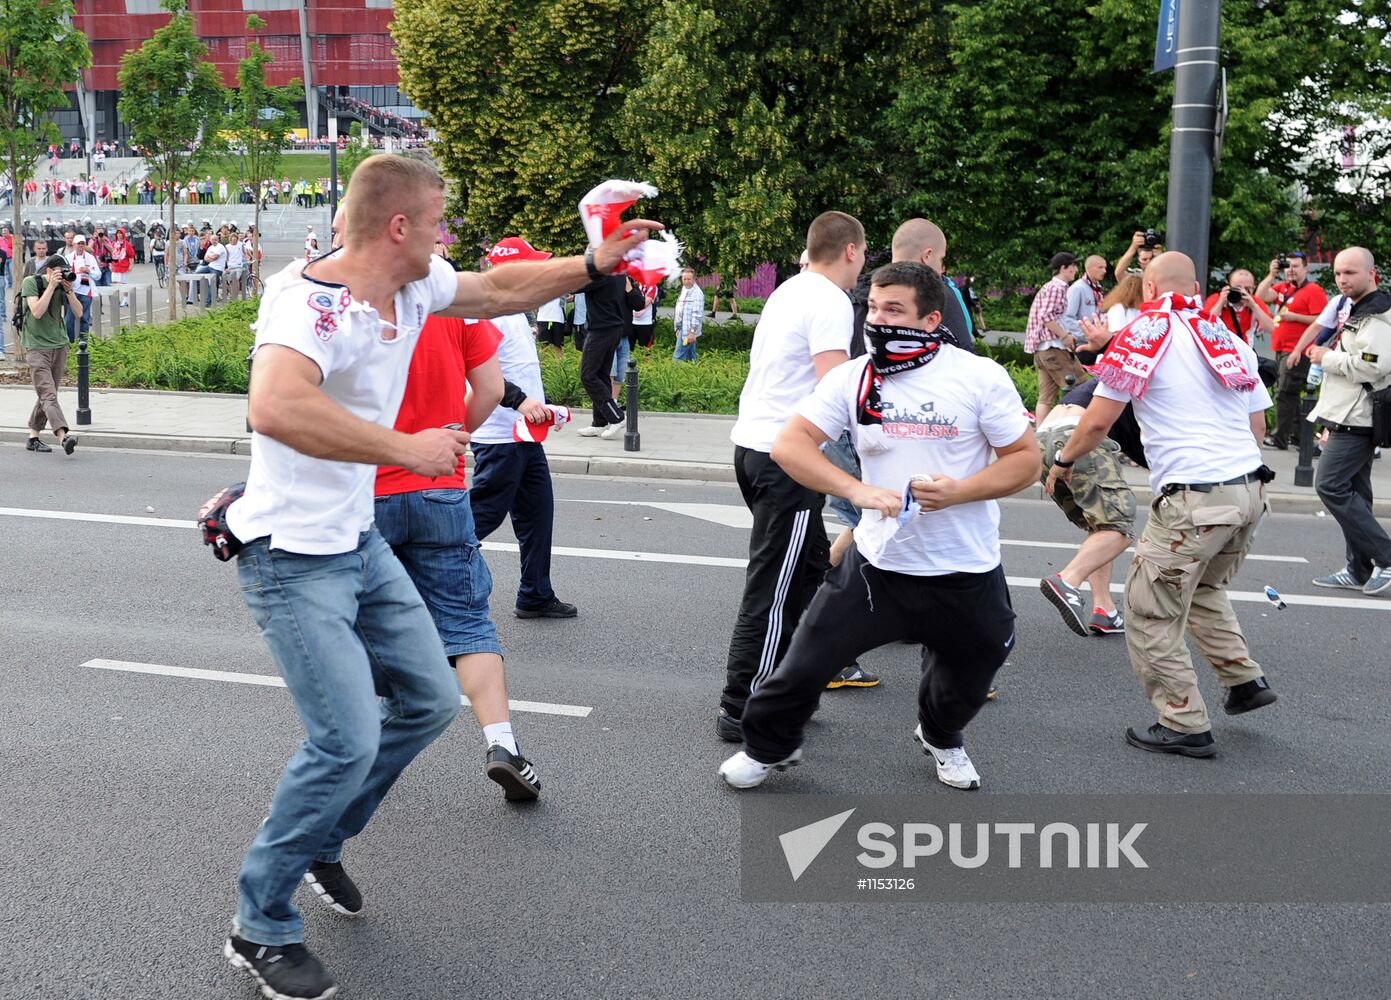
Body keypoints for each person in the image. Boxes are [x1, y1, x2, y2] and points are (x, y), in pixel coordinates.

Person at [220, 153, 660, 1000]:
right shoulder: (309, 302)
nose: (444, 235)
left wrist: (594, 264)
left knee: (424, 700)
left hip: (356, 542)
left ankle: (320, 837)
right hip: (290, 554)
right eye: (436, 222)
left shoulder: (414, 289)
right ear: (397, 226)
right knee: (343, 738)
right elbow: (273, 405)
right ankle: (259, 926)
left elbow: (500, 292)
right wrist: (404, 447)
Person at [719, 262, 1036, 790]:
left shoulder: (979, 377)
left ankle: (940, 736)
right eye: (872, 308)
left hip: (965, 566)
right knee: (803, 664)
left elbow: (1025, 460)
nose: (878, 320)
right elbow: (789, 445)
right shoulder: (854, 377)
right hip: (879, 564)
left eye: (894, 310)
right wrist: (854, 490)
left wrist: (960, 490)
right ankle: (766, 748)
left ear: (931, 319)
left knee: (975, 668)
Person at [1051, 252, 1276, 759]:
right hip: (1250, 489)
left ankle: (1182, 723)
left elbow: (1095, 422)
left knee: (1149, 608)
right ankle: (1243, 681)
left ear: (1148, 289)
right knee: (1204, 588)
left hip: (1194, 497)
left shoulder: (1140, 337)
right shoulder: (1227, 340)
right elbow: (1257, 428)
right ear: (1195, 286)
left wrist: (1062, 461)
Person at [716, 211, 865, 744]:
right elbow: (834, 387)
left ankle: (792, 687)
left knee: (806, 576)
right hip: (786, 459)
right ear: (851, 250)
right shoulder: (829, 300)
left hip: (756, 449)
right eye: (863, 254)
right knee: (773, 591)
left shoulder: (791, 289)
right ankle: (741, 708)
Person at [470, 236, 578, 621]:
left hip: (524, 434)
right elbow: (483, 374)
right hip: (500, 436)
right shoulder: (488, 311)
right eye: (529, 266)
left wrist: (543, 409)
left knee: (537, 515)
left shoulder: (512, 309)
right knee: (480, 517)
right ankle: (434, 582)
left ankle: (535, 594)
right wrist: (521, 402)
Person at [1305, 247, 1391, 596]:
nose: (1342, 279)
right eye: (1339, 273)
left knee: (1329, 485)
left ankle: (1385, 557)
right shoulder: (1358, 308)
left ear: (1373, 275)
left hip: (1359, 418)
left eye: (1351, 273)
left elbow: (1374, 365)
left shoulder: (1379, 314)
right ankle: (1359, 569)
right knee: (1356, 491)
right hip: (1348, 414)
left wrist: (1327, 357)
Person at [1036, 398, 1134, 637]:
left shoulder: (1096, 378)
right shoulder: (1130, 372)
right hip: (1077, 434)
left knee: (1100, 525)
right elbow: (1100, 423)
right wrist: (1065, 458)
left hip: (1042, 437)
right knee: (1118, 527)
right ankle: (1067, 580)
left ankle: (1105, 610)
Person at [1257, 251, 1328, 450]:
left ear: (1306, 268)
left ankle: (1280, 438)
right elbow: (1260, 296)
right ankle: (1298, 437)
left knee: (1285, 394)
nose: (1291, 270)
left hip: (1298, 349)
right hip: (1281, 347)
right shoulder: (1284, 288)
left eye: (1296, 266)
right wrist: (1271, 275)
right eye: (1288, 266)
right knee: (1291, 393)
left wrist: (1295, 317)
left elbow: (1321, 320)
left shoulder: (1313, 290)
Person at [19, 255, 83, 455]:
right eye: (58, 271)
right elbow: (37, 311)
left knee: (47, 396)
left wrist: (68, 290)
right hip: (37, 347)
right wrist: (50, 286)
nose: (61, 274)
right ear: (49, 270)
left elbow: (79, 312)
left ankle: (33, 437)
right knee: (48, 395)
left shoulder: (62, 286)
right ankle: (63, 437)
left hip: (59, 346)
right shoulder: (31, 282)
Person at [573, 270, 644, 440]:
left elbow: (572, 286)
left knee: (588, 375)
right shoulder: (617, 273)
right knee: (601, 374)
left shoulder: (600, 275)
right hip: (612, 329)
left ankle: (616, 416)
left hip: (602, 331)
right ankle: (600, 422)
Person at [887, 218, 976, 351]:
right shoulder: (938, 294)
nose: (941, 270)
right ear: (927, 256)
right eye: (941, 259)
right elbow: (963, 353)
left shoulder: (866, 290)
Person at [1025, 251, 1087, 423]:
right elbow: (1046, 317)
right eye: (1073, 266)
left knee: (1045, 398)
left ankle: (1041, 438)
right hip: (1054, 347)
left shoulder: (1050, 287)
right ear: (1063, 268)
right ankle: (1072, 432)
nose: (1075, 269)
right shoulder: (1056, 288)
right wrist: (1065, 336)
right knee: (1080, 388)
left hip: (1042, 350)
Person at [1202, 269, 1274, 346]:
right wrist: (1221, 302)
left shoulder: (1255, 302)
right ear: (1229, 286)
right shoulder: (1217, 299)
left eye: (1247, 289)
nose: (1242, 291)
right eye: (1238, 288)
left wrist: (1253, 306)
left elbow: (1270, 328)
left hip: (1245, 350)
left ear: (1253, 288)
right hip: (1220, 348)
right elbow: (1204, 324)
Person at [1063, 254, 1108, 338]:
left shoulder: (1099, 289)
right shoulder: (1078, 288)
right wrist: (1086, 336)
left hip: (1098, 339)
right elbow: (1068, 317)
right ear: (1089, 268)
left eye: (1105, 268)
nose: (1104, 271)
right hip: (1083, 341)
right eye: (1100, 267)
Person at [65, 236, 99, 343]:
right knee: (69, 320)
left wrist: (88, 270)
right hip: (72, 292)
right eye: (78, 243)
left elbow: (98, 275)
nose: (80, 246)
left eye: (82, 243)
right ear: (74, 244)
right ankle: (70, 343)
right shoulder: (68, 257)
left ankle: (83, 343)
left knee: (84, 319)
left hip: (86, 292)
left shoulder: (90, 258)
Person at [672, 266, 703, 361]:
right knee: (691, 358)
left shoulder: (697, 293)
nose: (686, 281)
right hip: (682, 328)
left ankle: (673, 374)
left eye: (689, 279)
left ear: (694, 279)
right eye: (684, 279)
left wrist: (692, 332)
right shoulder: (684, 289)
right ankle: (697, 373)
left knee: (677, 358)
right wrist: (677, 328)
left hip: (688, 331)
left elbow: (697, 314)